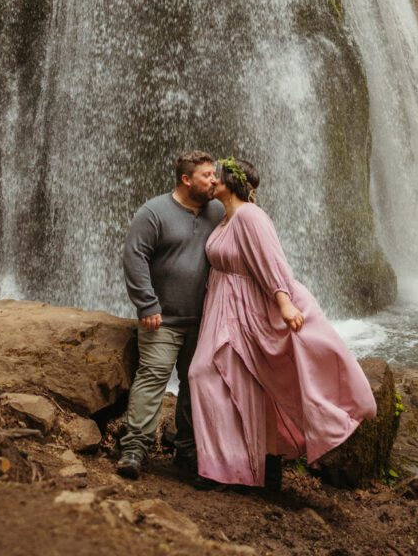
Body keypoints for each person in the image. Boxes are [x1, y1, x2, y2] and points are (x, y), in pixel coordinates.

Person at [189, 157, 377, 490]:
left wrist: (285, 302)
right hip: (224, 307)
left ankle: (254, 468)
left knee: (206, 373)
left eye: (217, 176)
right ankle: (240, 467)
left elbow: (272, 260)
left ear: (231, 182)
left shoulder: (250, 216)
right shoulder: (225, 219)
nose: (212, 180)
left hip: (246, 310)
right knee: (224, 378)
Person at [116, 150, 224, 479]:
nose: (214, 180)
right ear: (186, 179)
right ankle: (135, 449)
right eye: (207, 175)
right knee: (153, 378)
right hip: (161, 320)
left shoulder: (218, 211)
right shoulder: (154, 211)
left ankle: (188, 452)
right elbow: (135, 256)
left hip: (204, 321)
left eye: (215, 174)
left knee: (196, 386)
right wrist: (147, 304)